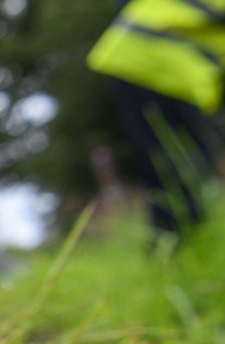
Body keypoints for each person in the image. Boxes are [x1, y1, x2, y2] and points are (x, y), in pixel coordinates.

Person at [87, 0, 225, 241]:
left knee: (173, 166)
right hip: (153, 64)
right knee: (173, 168)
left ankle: (178, 244)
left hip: (150, 63)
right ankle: (176, 245)